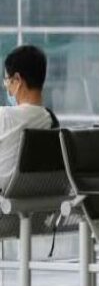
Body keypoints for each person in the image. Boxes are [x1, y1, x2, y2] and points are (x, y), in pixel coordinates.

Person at [0, 45, 56, 192]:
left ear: (17, 80)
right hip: (35, 201)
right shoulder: (50, 120)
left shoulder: (4, 116)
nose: (6, 87)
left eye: (7, 80)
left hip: (4, 201)